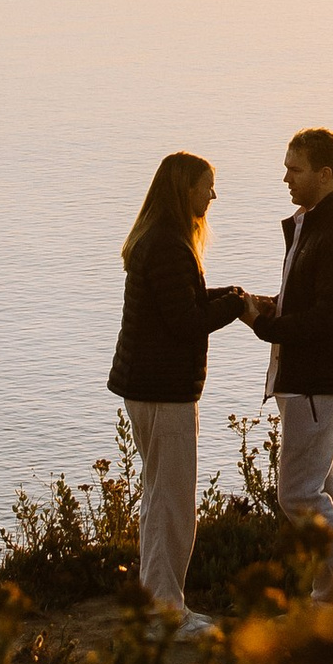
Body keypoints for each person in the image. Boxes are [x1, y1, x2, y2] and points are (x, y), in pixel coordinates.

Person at [237, 126, 333, 603]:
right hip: (307, 379)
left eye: (294, 169)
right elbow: (308, 302)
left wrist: (264, 325)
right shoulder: (309, 226)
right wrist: (273, 305)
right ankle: (332, 597)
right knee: (323, 487)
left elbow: (330, 319)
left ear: (324, 174)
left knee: (298, 494)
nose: (285, 178)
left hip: (319, 383)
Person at [109, 151, 245, 621]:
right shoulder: (170, 244)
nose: (213, 194)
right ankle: (167, 613)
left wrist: (229, 295)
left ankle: (154, 602)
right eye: (208, 185)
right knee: (174, 506)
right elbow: (186, 322)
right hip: (163, 392)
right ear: (184, 189)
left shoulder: (160, 239)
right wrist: (237, 309)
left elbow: (181, 301)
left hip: (146, 386)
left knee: (157, 498)